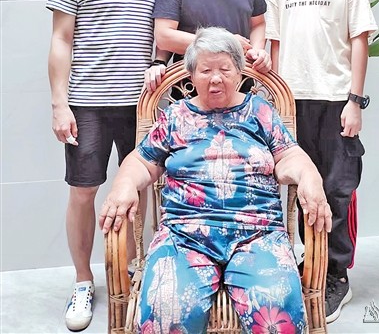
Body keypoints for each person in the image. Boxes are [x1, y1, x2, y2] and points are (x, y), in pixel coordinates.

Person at [99, 26, 332, 334]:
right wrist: (124, 185)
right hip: (184, 236)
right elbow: (143, 160)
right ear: (191, 75)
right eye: (206, 70)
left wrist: (310, 177)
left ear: (239, 72)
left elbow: (289, 156)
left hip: (257, 234)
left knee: (278, 310)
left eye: (225, 69)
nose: (216, 78)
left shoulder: (259, 112)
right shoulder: (175, 117)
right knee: (165, 310)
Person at [47, 0, 164, 332]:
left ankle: (132, 273)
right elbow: (61, 40)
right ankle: (83, 281)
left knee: (139, 190)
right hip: (87, 105)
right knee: (83, 191)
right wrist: (60, 105)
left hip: (141, 107)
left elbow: (162, 39)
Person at [266, 0, 377, 324]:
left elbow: (360, 39)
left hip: (336, 101)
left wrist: (355, 100)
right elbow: (274, 45)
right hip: (294, 103)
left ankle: (336, 275)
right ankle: (310, 261)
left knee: (337, 189)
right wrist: (276, 101)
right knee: (303, 188)